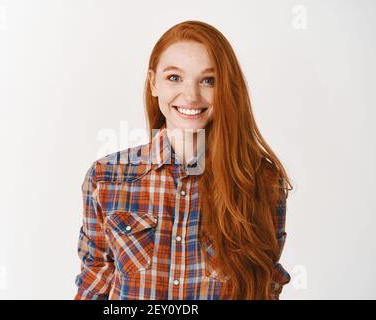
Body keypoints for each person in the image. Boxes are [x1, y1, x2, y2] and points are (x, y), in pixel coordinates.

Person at [74, 20, 293, 300]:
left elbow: (265, 288)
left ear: (226, 87)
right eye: (174, 78)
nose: (191, 96)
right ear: (153, 83)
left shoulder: (261, 180)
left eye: (208, 80)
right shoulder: (106, 177)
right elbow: (94, 280)